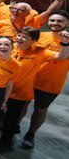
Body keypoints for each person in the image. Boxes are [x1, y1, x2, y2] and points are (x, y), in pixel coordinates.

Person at [1, 27, 69, 146]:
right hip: (3, 89)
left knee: (12, 120)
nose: (19, 38)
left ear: (33, 41)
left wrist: (64, 42)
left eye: (24, 37)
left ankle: (10, 140)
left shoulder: (40, 52)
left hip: (22, 93)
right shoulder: (10, 47)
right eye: (19, 35)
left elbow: (61, 56)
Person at [24, 11, 69, 149]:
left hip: (50, 83)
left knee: (40, 109)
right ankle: (13, 127)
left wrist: (65, 42)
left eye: (59, 21)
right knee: (22, 104)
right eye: (52, 20)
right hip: (29, 78)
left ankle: (30, 134)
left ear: (67, 23)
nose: (55, 23)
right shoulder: (40, 36)